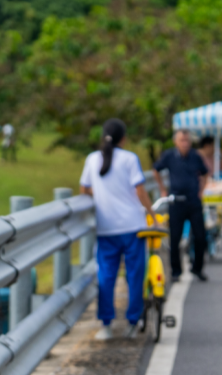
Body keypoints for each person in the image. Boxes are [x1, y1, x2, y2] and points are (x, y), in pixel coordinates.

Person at [79, 119, 157, 341]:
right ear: (123, 138)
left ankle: (106, 325)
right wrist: (152, 216)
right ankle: (133, 323)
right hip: (133, 227)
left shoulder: (92, 159)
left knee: (106, 277)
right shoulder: (130, 159)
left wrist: (102, 202)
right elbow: (140, 191)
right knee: (134, 276)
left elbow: (84, 189)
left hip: (106, 228)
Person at [152, 130, 209, 282]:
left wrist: (201, 190)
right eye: (181, 140)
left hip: (193, 200)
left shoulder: (195, 156)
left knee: (200, 237)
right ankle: (176, 271)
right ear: (176, 142)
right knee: (175, 238)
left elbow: (205, 173)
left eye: (187, 141)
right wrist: (162, 189)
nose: (185, 144)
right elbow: (156, 170)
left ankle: (197, 268)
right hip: (176, 201)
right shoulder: (169, 156)